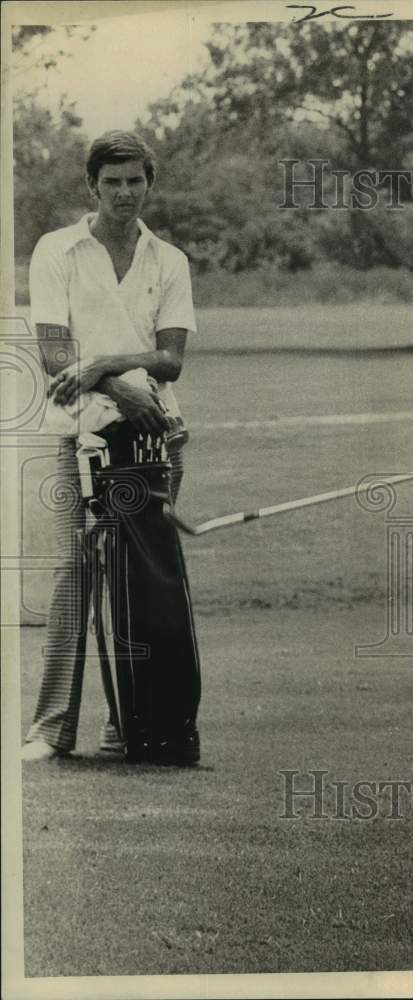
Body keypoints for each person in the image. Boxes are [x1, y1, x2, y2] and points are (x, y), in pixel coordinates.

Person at [21, 130, 197, 761]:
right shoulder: (56, 250)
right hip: (77, 434)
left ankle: (131, 725)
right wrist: (118, 384)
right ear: (90, 186)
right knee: (76, 569)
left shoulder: (168, 259)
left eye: (136, 181)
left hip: (156, 435)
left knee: (142, 576)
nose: (125, 193)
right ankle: (51, 728)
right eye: (113, 182)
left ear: (150, 183)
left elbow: (171, 360)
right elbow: (53, 354)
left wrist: (104, 365)